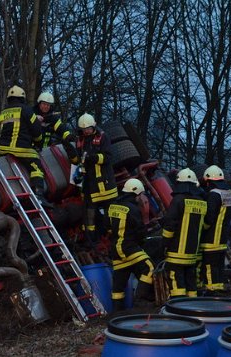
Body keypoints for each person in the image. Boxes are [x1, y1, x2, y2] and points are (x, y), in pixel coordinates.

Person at [107, 178, 156, 311]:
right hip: (129, 248)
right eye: (141, 195)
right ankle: (140, 300)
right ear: (137, 193)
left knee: (118, 285)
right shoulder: (133, 209)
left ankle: (117, 313)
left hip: (116, 250)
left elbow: (109, 227)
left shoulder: (112, 206)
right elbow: (139, 231)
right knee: (150, 267)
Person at [70, 113, 117, 246]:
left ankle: (112, 237)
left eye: (89, 129)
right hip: (89, 185)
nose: (86, 131)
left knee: (110, 214)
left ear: (94, 126)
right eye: (84, 130)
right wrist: (73, 156)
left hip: (105, 184)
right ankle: (91, 240)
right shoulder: (80, 140)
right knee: (89, 216)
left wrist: (94, 158)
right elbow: (78, 161)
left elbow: (108, 157)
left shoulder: (103, 137)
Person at [162, 168, 207, 298]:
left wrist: (164, 244)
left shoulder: (178, 200)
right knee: (191, 283)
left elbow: (170, 225)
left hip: (176, 253)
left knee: (176, 281)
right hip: (192, 253)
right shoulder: (202, 202)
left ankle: (178, 307)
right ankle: (192, 307)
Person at [0, 85, 47, 198]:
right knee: (36, 166)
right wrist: (38, 144)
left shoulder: (3, 112)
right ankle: (38, 194)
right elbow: (37, 131)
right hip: (20, 149)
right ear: (22, 98)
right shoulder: (26, 110)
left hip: (3, 149)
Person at [199, 165, 231, 293]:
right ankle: (220, 290)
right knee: (219, 266)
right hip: (223, 238)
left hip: (211, 238)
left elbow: (209, 218)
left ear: (209, 180)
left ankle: (211, 292)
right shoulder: (230, 193)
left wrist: (200, 229)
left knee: (209, 266)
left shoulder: (214, 195)